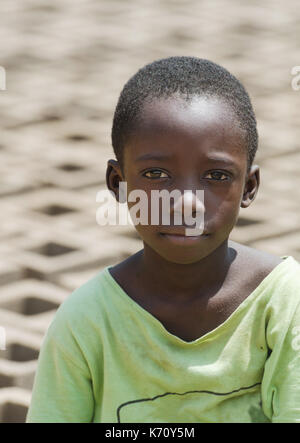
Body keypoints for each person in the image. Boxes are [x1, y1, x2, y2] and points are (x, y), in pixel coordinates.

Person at [26, 56, 300, 423]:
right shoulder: (87, 321)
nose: (186, 202)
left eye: (216, 176)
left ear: (248, 187)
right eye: (156, 173)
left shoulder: (282, 304)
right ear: (118, 184)